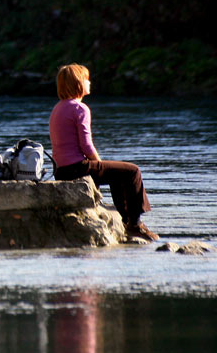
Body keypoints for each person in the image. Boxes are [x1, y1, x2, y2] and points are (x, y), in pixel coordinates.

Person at [48, 63, 159, 241]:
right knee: (132, 171)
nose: (90, 83)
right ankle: (135, 224)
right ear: (78, 84)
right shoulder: (80, 108)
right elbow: (86, 145)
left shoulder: (57, 108)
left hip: (61, 170)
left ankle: (125, 220)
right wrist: (98, 162)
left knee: (116, 174)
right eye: (86, 79)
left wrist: (100, 166)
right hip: (77, 168)